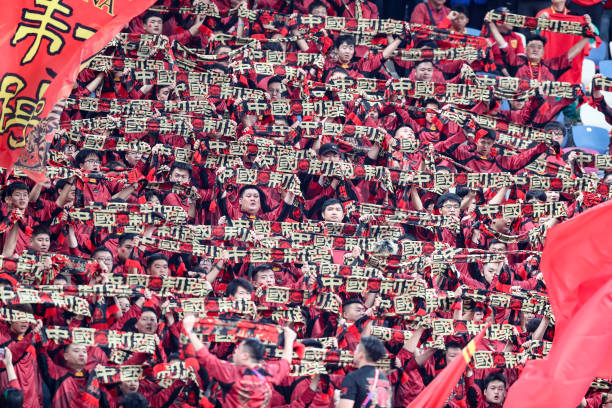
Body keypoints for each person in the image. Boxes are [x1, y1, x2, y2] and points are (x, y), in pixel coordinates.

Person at [183, 315, 296, 408]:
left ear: (245, 356)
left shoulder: (231, 372)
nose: (235, 351)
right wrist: (289, 339)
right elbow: (286, 362)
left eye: (238, 349)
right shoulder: (271, 372)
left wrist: (189, 330)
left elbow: (206, 358)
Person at [337, 336, 393, 408]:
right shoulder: (386, 381)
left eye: (356, 350)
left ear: (361, 355)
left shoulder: (353, 378)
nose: (354, 353)